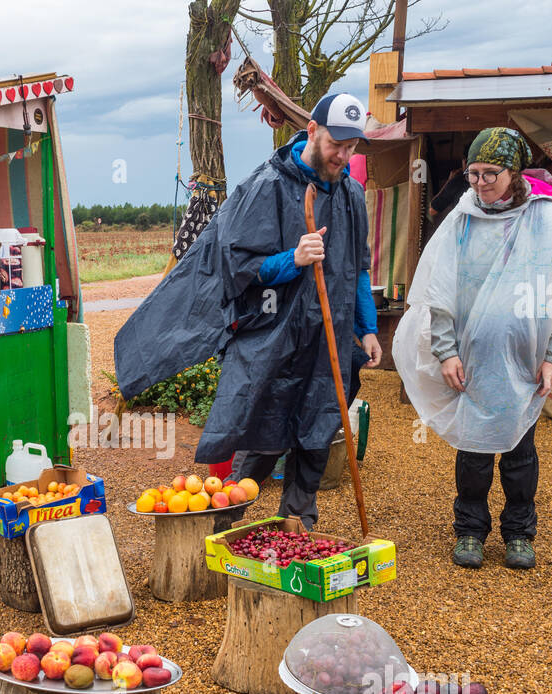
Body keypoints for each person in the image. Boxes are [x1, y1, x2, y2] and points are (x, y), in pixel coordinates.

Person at [114, 92, 374, 529]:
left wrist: (367, 329)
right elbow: (235, 266)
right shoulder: (265, 188)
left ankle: (297, 523)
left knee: (318, 425)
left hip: (328, 335)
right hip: (270, 335)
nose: (344, 156)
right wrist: (293, 260)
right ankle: (227, 524)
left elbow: (358, 269)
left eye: (352, 147)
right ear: (312, 131)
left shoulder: (352, 195)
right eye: (336, 144)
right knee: (263, 428)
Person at [392, 128, 552, 570]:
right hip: (472, 356)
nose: (479, 183)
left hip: (526, 358)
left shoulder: (548, 216)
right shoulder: (463, 217)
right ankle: (470, 531)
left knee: (520, 452)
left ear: (514, 172)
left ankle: (519, 534)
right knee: (474, 450)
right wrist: (445, 351)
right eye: (472, 174)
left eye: (489, 174)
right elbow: (440, 290)